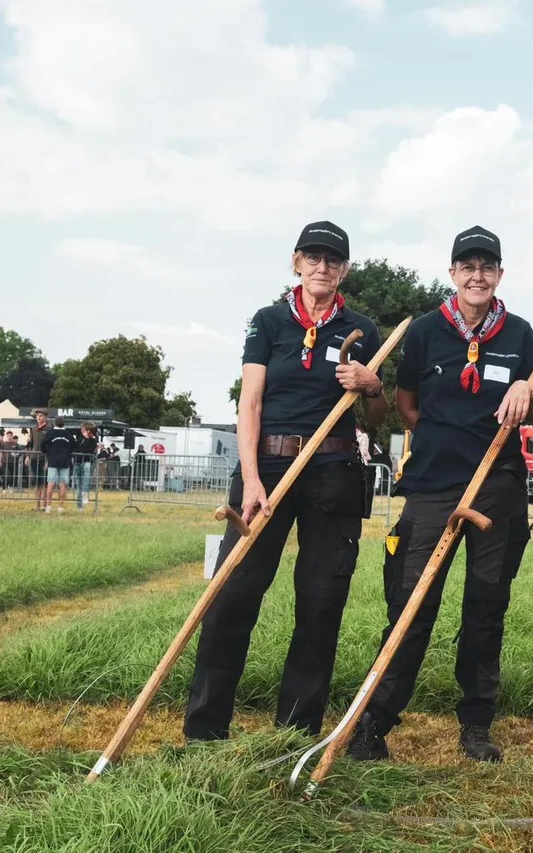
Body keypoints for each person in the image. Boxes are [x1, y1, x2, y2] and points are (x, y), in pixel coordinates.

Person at [347, 226, 533, 764]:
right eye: (467, 266)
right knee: (411, 607)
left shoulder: (521, 334)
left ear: (500, 274)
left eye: (488, 266)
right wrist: (445, 439)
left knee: (486, 607)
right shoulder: (427, 332)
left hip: (497, 487)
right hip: (433, 488)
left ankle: (476, 725)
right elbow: (408, 404)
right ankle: (374, 724)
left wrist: (529, 389)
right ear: (453, 272)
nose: (477, 275)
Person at [184, 220, 387, 742]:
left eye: (333, 259)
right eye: (313, 257)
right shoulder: (269, 321)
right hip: (268, 469)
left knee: (320, 602)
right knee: (232, 595)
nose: (322, 267)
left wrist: (371, 385)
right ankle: (205, 731)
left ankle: (294, 735)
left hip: (335, 471)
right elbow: (248, 403)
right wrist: (251, 479)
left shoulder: (362, 328)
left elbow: (381, 416)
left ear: (344, 269)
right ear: (296, 262)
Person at [43, 415, 75, 513]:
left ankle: (48, 506)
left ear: (55, 423)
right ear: (64, 423)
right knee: (62, 485)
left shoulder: (50, 433)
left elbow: (42, 444)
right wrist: (68, 453)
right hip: (65, 461)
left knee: (50, 484)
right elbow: (74, 445)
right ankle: (60, 507)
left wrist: (48, 453)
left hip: (52, 461)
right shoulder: (68, 434)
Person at [24, 410, 50, 509]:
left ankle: (45, 505)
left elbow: (50, 446)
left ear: (46, 417)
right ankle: (37, 505)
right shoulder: (33, 429)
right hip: (34, 458)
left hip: (44, 458)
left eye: (41, 415)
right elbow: (29, 444)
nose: (39, 418)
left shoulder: (49, 429)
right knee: (37, 481)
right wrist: (28, 456)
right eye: (37, 416)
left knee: (45, 482)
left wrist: (48, 460)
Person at [74, 420, 99, 511]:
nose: (81, 430)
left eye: (83, 429)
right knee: (79, 484)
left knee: (86, 477)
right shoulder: (79, 436)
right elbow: (78, 448)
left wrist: (87, 439)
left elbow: (87, 450)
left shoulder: (93, 439)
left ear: (88, 430)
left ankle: (85, 494)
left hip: (87, 461)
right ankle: (79, 506)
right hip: (78, 461)